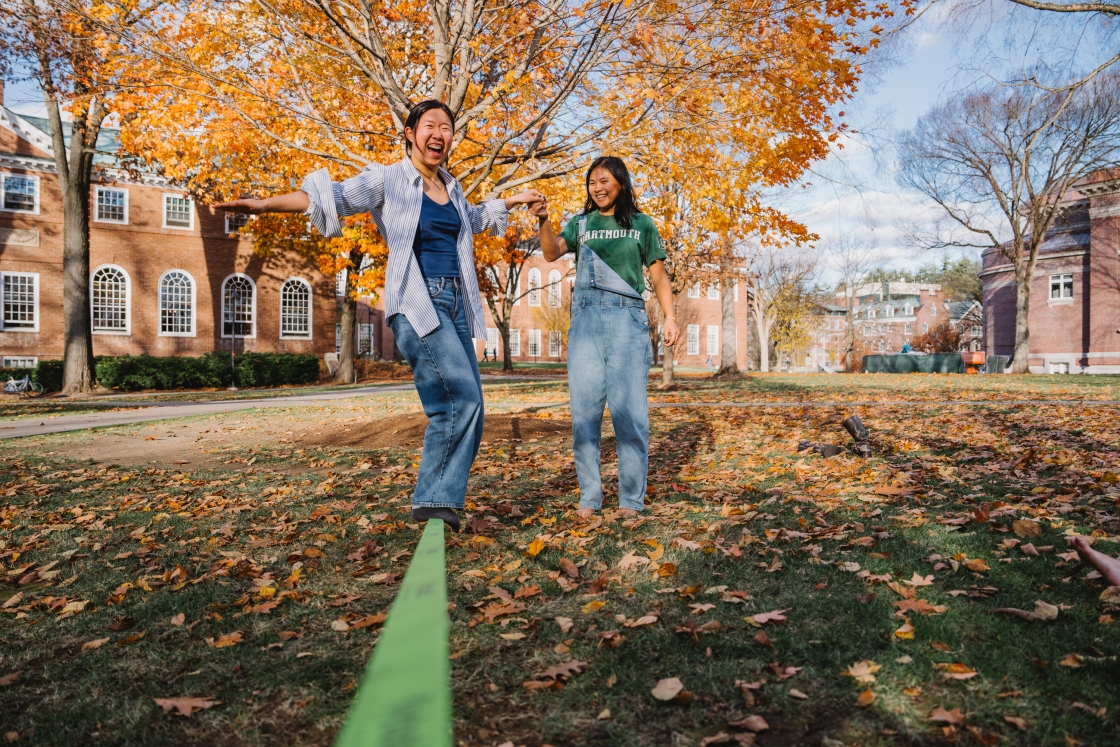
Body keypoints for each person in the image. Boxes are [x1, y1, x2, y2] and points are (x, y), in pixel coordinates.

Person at [215, 100, 543, 532]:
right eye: (430, 125)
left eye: (447, 127)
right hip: (417, 301)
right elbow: (331, 196)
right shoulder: (387, 179)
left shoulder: (453, 187)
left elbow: (476, 219)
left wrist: (514, 199)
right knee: (459, 399)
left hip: (457, 304)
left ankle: (438, 500)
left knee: (472, 406)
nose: (439, 134)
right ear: (410, 133)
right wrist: (262, 205)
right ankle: (433, 501)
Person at [532, 156, 679, 519]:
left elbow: (658, 276)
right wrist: (543, 219)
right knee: (585, 414)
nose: (597, 188)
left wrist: (671, 317)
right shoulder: (580, 224)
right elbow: (551, 253)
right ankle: (589, 499)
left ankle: (630, 500)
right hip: (585, 323)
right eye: (592, 182)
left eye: (605, 181)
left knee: (629, 415)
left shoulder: (642, 224)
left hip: (628, 320)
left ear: (621, 183)